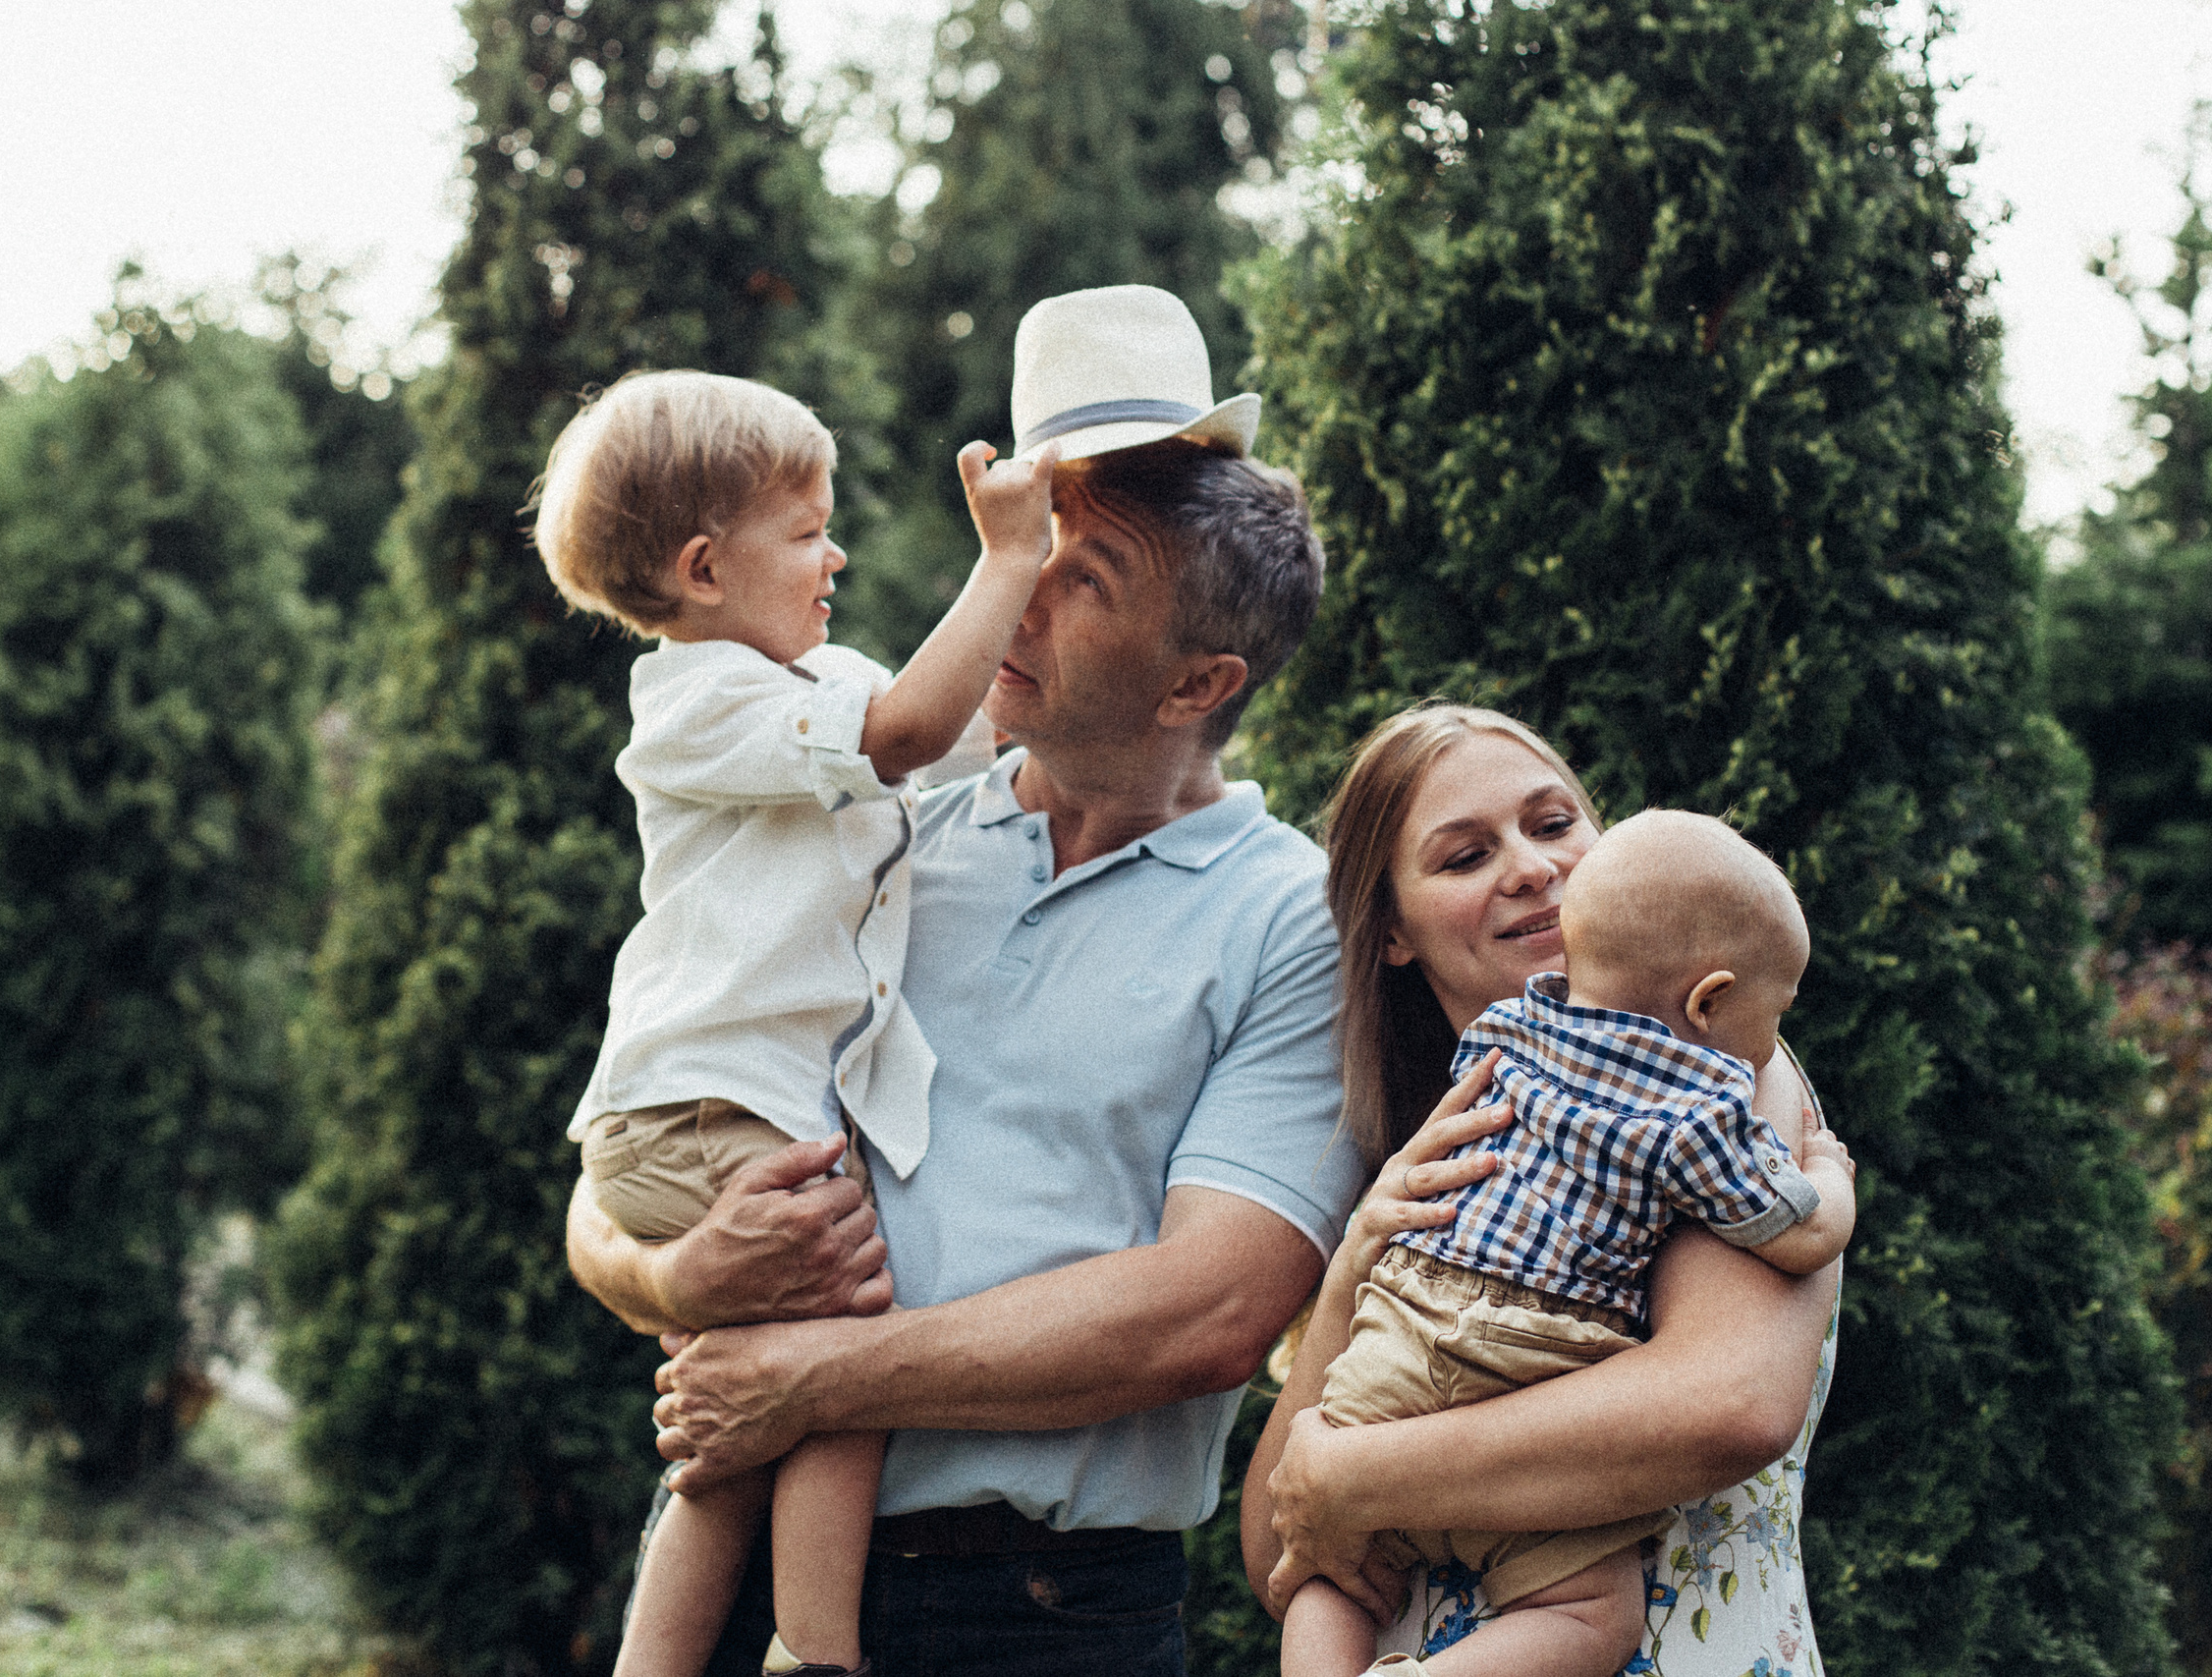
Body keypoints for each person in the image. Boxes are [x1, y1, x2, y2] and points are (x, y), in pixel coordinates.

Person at [567, 284, 1356, 1675]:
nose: (1014, 599)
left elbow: (1210, 1310)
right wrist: (682, 1266)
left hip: (1041, 1618)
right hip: (748, 1571)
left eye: (1080, 578)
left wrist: (814, 1371)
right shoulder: (880, 825)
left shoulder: (1293, 918)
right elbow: (630, 1153)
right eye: (1021, 551)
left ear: (1196, 684)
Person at [531, 367, 1059, 1677]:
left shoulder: (814, 676)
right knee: (851, 1349)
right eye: (806, 529)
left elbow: (964, 744)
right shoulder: (702, 693)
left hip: (721, 1106)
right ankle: (817, 1648)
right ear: (706, 568)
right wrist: (1009, 562)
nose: (838, 552)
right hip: (706, 1110)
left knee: (737, 1425)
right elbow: (912, 728)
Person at [1244, 704, 1845, 1677]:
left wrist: (1354, 1474)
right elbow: (1284, 1548)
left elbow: (1730, 1403)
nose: (1531, 867)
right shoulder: (1441, 1131)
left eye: (1554, 823)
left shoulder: (1718, 1081)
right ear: (1391, 931)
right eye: (1464, 856)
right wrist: (1358, 1259)